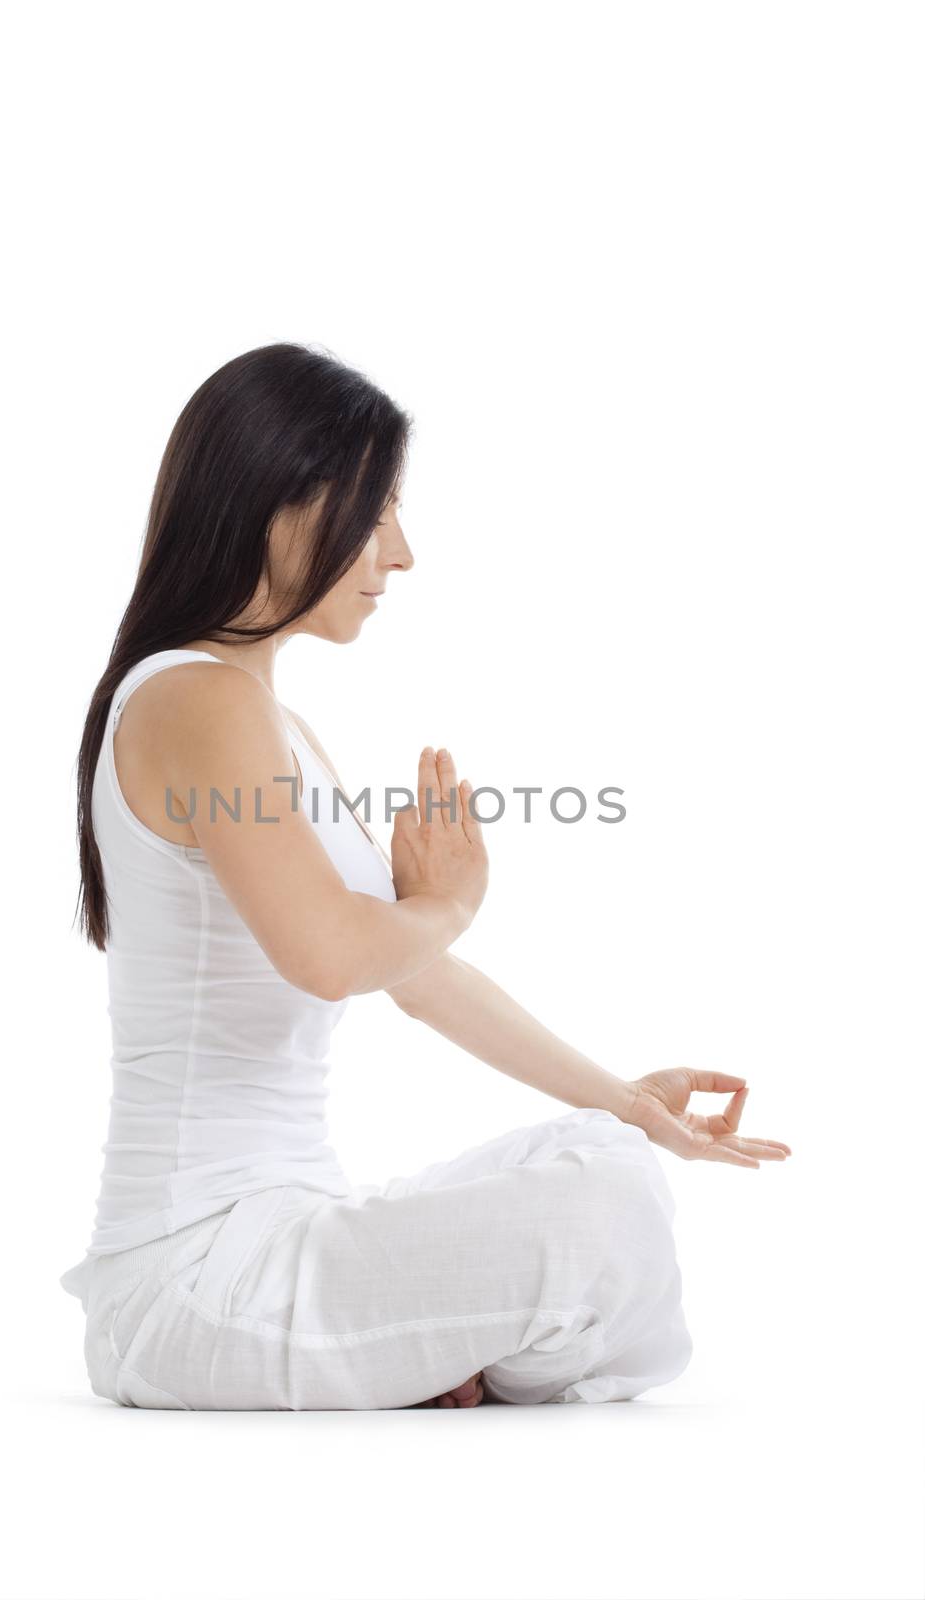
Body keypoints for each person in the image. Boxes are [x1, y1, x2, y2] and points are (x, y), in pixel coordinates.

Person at [59, 341, 792, 1411]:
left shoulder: (272, 721)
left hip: (284, 1230)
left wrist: (629, 1099)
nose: (398, 551)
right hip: (193, 1279)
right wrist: (444, 903)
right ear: (277, 503)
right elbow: (332, 957)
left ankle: (441, 1348)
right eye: (377, 506)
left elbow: (412, 974)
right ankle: (473, 1357)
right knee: (601, 1214)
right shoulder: (195, 700)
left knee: (604, 1154)